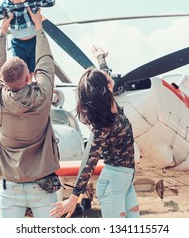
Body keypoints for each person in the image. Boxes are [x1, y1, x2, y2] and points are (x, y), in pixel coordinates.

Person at [0, 7, 60, 218]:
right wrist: (39, 26)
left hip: (11, 187)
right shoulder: (42, 96)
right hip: (43, 185)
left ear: (3, 81)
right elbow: (45, 62)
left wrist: (3, 32)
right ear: (29, 78)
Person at [50, 46, 140, 218]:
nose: (108, 74)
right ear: (105, 88)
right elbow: (89, 163)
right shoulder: (103, 127)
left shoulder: (110, 101)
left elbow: (103, 74)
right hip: (113, 184)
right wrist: (74, 198)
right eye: (106, 77)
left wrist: (101, 58)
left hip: (126, 182)